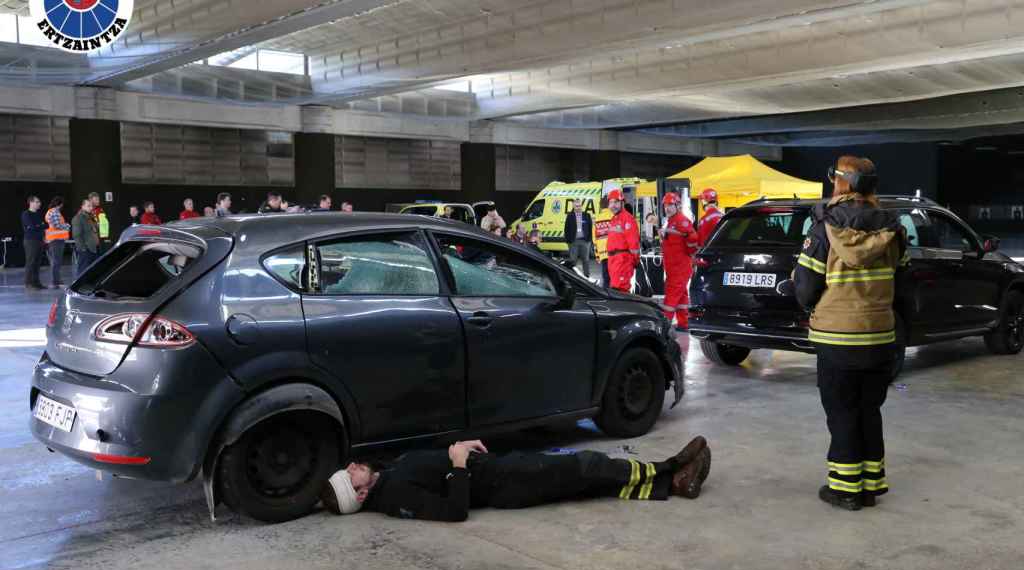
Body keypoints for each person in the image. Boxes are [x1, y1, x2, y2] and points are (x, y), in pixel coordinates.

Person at [793, 155, 906, 512]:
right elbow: (901, 284)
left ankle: (844, 490)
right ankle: (870, 486)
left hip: (837, 338)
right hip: (879, 337)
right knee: (869, 410)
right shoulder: (893, 229)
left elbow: (805, 287)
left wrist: (814, 307)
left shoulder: (823, 227)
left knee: (841, 411)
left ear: (841, 183)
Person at [321, 436, 711, 521]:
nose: (354, 466)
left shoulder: (387, 476)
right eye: (351, 473)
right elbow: (454, 510)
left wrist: (461, 449)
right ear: (361, 492)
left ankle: (673, 484)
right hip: (507, 484)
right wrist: (458, 464)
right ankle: (670, 468)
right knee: (587, 466)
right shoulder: (396, 497)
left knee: (589, 478)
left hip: (502, 469)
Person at [660, 193, 699, 331]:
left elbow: (693, 241)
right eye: (665, 205)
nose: (667, 208)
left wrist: (689, 255)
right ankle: (684, 323)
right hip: (674, 268)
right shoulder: (671, 221)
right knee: (681, 296)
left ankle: (663, 327)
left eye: (670, 205)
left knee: (670, 298)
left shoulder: (682, 221)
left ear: (677, 206)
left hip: (680, 268)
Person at [605, 189, 640, 292]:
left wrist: (635, 260)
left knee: (621, 290)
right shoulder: (614, 219)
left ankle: (625, 308)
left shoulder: (628, 219)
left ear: (622, 203)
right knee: (616, 290)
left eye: (616, 202)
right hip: (614, 261)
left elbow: (634, 243)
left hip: (623, 261)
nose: (613, 205)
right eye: (611, 202)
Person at [44, 196, 71, 289]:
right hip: (56, 240)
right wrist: (67, 226)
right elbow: (57, 225)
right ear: (60, 204)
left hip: (54, 240)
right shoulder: (55, 212)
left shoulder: (50, 212)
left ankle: (57, 280)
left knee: (55, 261)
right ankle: (55, 282)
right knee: (56, 262)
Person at [21, 196, 46, 290]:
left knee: (37, 263)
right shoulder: (26, 214)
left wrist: (40, 226)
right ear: (31, 203)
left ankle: (36, 283)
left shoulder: (38, 214)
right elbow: (32, 227)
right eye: (37, 202)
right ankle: (28, 283)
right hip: (30, 241)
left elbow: (45, 225)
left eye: (39, 202)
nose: (39, 203)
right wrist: (40, 226)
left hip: (40, 240)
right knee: (30, 262)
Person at [563, 200, 593, 278]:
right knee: (573, 261)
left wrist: (589, 240)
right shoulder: (570, 216)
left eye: (579, 206)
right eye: (576, 206)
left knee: (586, 260)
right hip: (574, 242)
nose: (578, 207)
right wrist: (568, 241)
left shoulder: (587, 215)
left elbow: (590, 228)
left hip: (585, 241)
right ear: (573, 207)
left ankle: (587, 277)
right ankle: (573, 277)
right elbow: (566, 229)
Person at [72, 198, 100, 278]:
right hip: (86, 249)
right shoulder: (78, 218)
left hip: (94, 248)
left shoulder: (91, 217)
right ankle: (79, 288)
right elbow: (77, 235)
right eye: (88, 206)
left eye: (91, 206)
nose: (91, 208)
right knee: (83, 271)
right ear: (82, 206)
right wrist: (83, 248)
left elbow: (94, 231)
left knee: (92, 270)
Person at [593, 197, 613, 287]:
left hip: (603, 253)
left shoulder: (596, 219)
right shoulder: (613, 216)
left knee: (605, 276)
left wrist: (597, 255)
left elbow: (594, 239)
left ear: (601, 207)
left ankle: (606, 293)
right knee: (614, 275)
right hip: (614, 251)